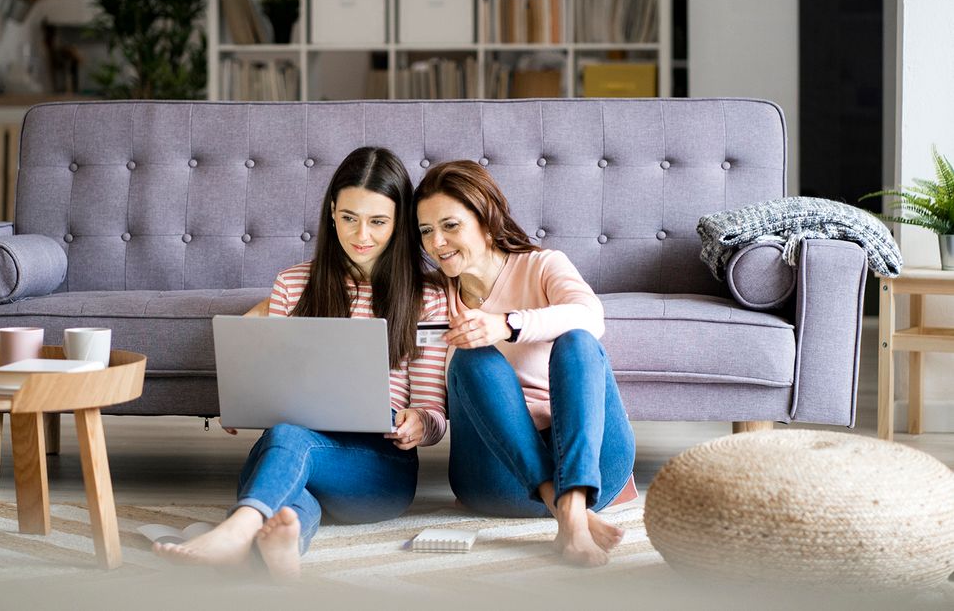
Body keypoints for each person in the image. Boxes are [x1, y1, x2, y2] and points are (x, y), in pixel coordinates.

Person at [154, 147, 449, 580]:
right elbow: (275, 381)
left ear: (399, 222)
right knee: (289, 487)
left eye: (377, 221)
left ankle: (237, 528)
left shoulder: (428, 295)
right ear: (331, 212)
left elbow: (434, 413)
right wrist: (246, 400)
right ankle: (283, 548)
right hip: (298, 449)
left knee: (287, 440)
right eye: (349, 217)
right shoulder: (292, 283)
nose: (360, 234)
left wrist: (419, 424)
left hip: (380, 470)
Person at [413, 160, 636, 567]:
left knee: (578, 341)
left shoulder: (542, 265)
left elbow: (591, 316)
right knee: (471, 359)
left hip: (593, 468)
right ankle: (569, 514)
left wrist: (507, 325)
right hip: (497, 476)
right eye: (426, 231)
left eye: (450, 226)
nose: (436, 243)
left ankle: (571, 508)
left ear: (485, 220)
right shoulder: (430, 296)